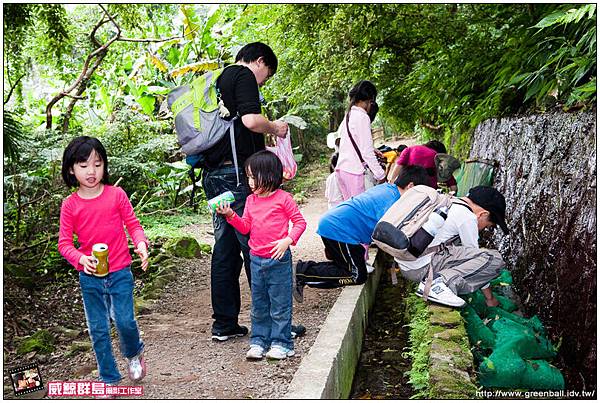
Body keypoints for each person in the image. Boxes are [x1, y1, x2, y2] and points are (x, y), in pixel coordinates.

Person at [198, 42, 306, 341]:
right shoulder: (242, 75)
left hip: (215, 175)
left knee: (226, 249)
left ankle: (224, 324)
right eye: (266, 75)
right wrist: (277, 128)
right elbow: (251, 120)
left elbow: (236, 128)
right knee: (256, 246)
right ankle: (274, 323)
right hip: (236, 177)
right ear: (259, 62)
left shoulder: (220, 80)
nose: (263, 82)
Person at [58, 136, 149, 386]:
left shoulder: (116, 195)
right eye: (84, 165)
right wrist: (80, 258)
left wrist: (140, 244)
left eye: (97, 164)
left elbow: (133, 225)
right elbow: (64, 244)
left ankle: (134, 352)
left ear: (104, 166)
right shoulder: (70, 205)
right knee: (98, 330)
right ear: (71, 169)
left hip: (120, 271)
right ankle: (109, 378)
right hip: (90, 277)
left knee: (125, 321)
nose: (92, 171)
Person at [215, 150, 307, 360]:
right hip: (256, 259)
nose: (250, 181)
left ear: (270, 175)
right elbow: (246, 228)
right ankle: (259, 341)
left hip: (278, 260)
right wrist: (230, 215)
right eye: (248, 176)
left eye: (253, 176)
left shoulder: (284, 198)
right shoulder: (250, 201)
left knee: (280, 304)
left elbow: (300, 222)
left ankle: (282, 343)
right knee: (259, 304)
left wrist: (287, 240)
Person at [294, 166, 431, 300]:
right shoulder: (392, 201)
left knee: (348, 267)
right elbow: (388, 235)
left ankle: (304, 271)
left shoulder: (388, 190)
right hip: (340, 230)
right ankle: (301, 273)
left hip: (340, 227)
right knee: (356, 275)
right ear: (411, 186)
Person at [397, 185, 509, 308]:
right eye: (487, 225)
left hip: (407, 263)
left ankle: (438, 281)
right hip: (420, 269)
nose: (484, 229)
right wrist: (490, 298)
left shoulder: (448, 202)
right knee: (494, 259)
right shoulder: (467, 217)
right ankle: (439, 284)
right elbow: (476, 261)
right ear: (483, 214)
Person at [335, 80, 386, 200]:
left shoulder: (349, 114)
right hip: (354, 172)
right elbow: (366, 152)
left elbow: (346, 140)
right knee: (360, 212)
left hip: (342, 170)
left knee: (351, 210)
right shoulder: (362, 117)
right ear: (369, 100)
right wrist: (381, 175)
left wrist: (372, 149)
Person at [388, 140, 458, 192]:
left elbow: (396, 169)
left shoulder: (409, 150)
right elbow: (452, 184)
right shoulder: (436, 157)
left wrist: (391, 182)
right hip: (427, 192)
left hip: (406, 189)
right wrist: (454, 195)